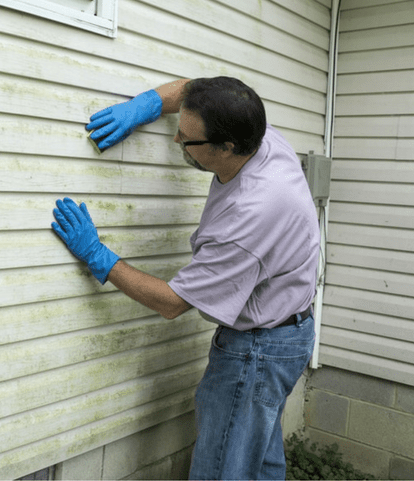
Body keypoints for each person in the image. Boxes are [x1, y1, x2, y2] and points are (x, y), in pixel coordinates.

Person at [51, 77, 319, 480]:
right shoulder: (259, 136)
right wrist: (146, 106)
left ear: (226, 147)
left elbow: (172, 303)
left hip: (258, 352)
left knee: (222, 471)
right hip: (287, 331)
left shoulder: (249, 218)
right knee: (259, 466)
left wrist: (98, 256)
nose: (176, 140)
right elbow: (196, 89)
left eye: (188, 138)